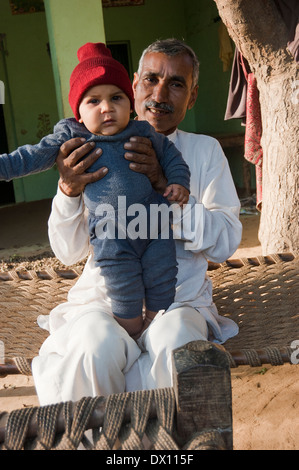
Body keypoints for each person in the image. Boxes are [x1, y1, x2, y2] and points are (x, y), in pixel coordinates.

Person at [31, 38, 242, 405]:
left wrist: (166, 187)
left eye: (177, 84)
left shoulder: (204, 152)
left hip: (178, 301)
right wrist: (67, 189)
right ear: (133, 85)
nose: (160, 94)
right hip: (103, 299)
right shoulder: (88, 148)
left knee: (179, 348)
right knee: (94, 347)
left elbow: (224, 243)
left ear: (191, 98)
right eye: (151, 79)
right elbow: (67, 253)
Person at [0, 42, 191, 338]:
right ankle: (132, 336)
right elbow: (31, 156)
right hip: (110, 235)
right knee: (123, 291)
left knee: (162, 280)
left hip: (154, 225)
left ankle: (153, 331)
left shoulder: (143, 131)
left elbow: (172, 158)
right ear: (77, 112)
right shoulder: (72, 137)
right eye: (93, 101)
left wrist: (177, 183)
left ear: (130, 103)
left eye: (116, 97)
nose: (107, 108)